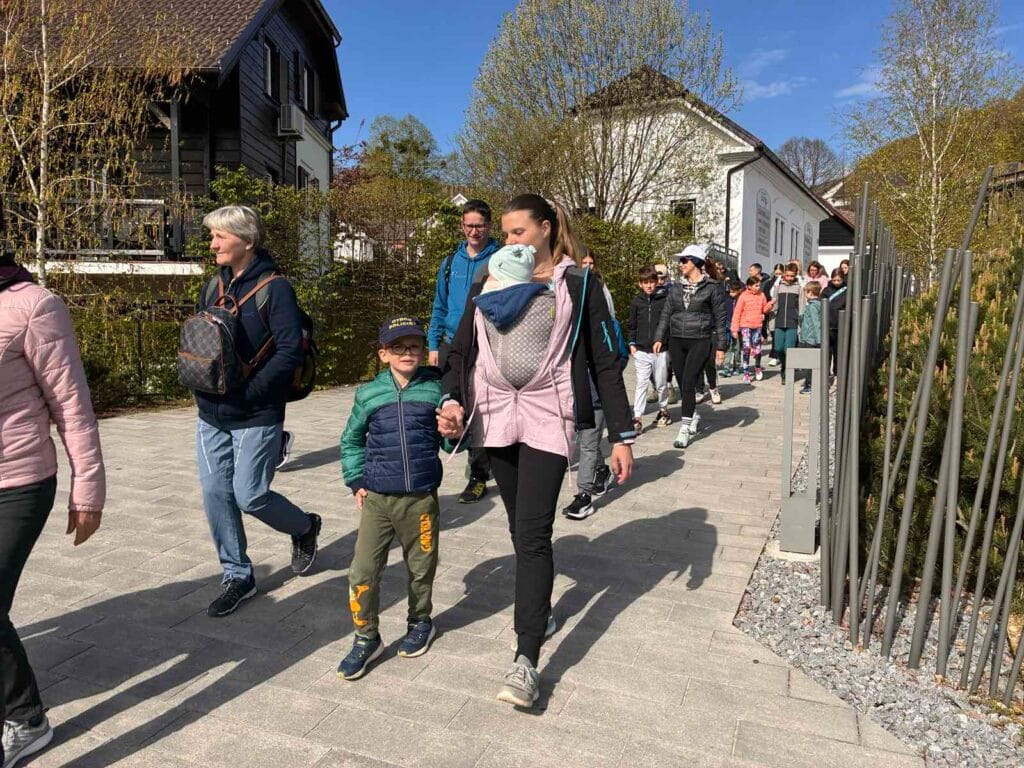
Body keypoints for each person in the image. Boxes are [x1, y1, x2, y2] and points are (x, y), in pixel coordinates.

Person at [436, 194, 634, 708]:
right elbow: (461, 350)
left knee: (532, 532)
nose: (508, 242)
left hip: (549, 414)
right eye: (505, 233)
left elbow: (604, 360)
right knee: (517, 524)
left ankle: (526, 658)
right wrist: (452, 398)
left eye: (518, 232)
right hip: (496, 415)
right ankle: (539, 606)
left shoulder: (578, 283)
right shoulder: (489, 280)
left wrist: (621, 435)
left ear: (546, 228)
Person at [0, 254, 106, 768]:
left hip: (17, 481)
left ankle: (27, 720)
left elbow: (72, 406)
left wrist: (88, 490)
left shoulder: (33, 306)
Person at [192, 205, 321, 618]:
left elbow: (289, 352)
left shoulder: (276, 289)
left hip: (256, 411)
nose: (212, 244)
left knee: (249, 494)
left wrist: (250, 395)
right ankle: (237, 575)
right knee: (216, 494)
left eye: (220, 236)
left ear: (246, 240)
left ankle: (304, 526)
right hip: (210, 411)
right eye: (212, 236)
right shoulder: (213, 285)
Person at [337, 317, 450, 679]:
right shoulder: (369, 394)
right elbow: (351, 440)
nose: (407, 352)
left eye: (414, 345)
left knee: (421, 567)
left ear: (423, 351)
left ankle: (420, 621)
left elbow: (451, 443)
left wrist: (453, 431)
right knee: (362, 572)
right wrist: (356, 480)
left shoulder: (436, 390)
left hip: (421, 500)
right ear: (383, 354)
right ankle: (366, 637)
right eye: (398, 347)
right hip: (378, 501)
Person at [428, 199, 500, 505]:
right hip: (451, 344)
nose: (474, 231)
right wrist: (433, 345)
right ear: (462, 225)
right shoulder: (449, 263)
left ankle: (478, 475)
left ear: (489, 226)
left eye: (479, 226)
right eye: (469, 225)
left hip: (483, 343)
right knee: (449, 403)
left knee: (479, 407)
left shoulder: (500, 260)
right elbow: (439, 305)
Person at [563, 249, 620, 521]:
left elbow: (616, 358)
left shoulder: (606, 325)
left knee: (587, 443)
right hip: (572, 393)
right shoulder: (566, 326)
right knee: (589, 441)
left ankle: (583, 495)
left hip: (594, 394)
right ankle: (601, 470)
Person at [652, 244, 728, 449]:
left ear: (695, 262)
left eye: (684, 260)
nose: (680, 264)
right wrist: (659, 337)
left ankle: (684, 428)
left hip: (700, 340)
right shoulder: (675, 288)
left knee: (688, 382)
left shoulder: (712, 287)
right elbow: (666, 314)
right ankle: (692, 415)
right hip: (676, 340)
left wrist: (721, 347)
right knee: (682, 382)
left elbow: (721, 319)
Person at [627, 265, 671, 430]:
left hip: (661, 351)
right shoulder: (636, 302)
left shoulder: (664, 300)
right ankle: (637, 417)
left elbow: (668, 323)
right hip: (641, 350)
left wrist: (667, 342)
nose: (649, 286)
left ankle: (663, 410)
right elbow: (632, 324)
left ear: (657, 282)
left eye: (651, 282)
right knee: (641, 383)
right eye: (645, 283)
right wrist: (632, 343)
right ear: (640, 284)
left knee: (661, 383)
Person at [731, 276, 774, 383]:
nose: (758, 287)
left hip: (757, 326)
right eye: (756, 285)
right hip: (745, 326)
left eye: (759, 285)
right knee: (746, 348)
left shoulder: (762, 295)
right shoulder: (743, 296)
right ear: (749, 286)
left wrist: (770, 304)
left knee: (757, 349)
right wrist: (734, 329)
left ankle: (757, 367)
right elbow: (737, 313)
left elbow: (764, 309)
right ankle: (746, 373)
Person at [695, 258, 727, 405]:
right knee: (697, 361)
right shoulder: (690, 286)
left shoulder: (715, 286)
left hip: (711, 329)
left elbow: (720, 312)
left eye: (703, 270)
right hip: (695, 328)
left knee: (709, 360)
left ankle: (713, 388)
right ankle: (699, 389)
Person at [771, 263, 805, 385]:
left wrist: (801, 324)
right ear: (784, 274)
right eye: (788, 275)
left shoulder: (799, 288)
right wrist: (771, 320)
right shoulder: (778, 286)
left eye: (792, 276)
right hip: (779, 321)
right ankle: (784, 365)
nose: (790, 278)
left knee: (789, 349)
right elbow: (774, 304)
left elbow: (802, 306)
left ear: (796, 275)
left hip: (792, 322)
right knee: (778, 348)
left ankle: (787, 372)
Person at [821, 267, 848, 386]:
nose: (836, 282)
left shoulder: (847, 290)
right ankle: (826, 375)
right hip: (828, 325)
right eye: (834, 280)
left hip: (841, 326)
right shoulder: (826, 291)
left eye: (839, 280)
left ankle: (837, 374)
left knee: (838, 353)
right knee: (827, 353)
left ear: (843, 279)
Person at [798, 282, 823, 394]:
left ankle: (810, 385)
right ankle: (810, 382)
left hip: (810, 339)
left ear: (810, 293)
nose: (805, 295)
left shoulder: (813, 306)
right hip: (811, 338)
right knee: (810, 363)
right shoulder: (818, 304)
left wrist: (818, 341)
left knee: (809, 364)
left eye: (805, 293)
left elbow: (816, 324)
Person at [720, 280, 744, 377]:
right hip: (728, 325)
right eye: (730, 291)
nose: (731, 293)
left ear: (739, 291)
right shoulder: (726, 299)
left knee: (737, 348)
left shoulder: (742, 299)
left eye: (733, 291)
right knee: (728, 346)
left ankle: (736, 366)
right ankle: (726, 367)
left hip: (739, 326)